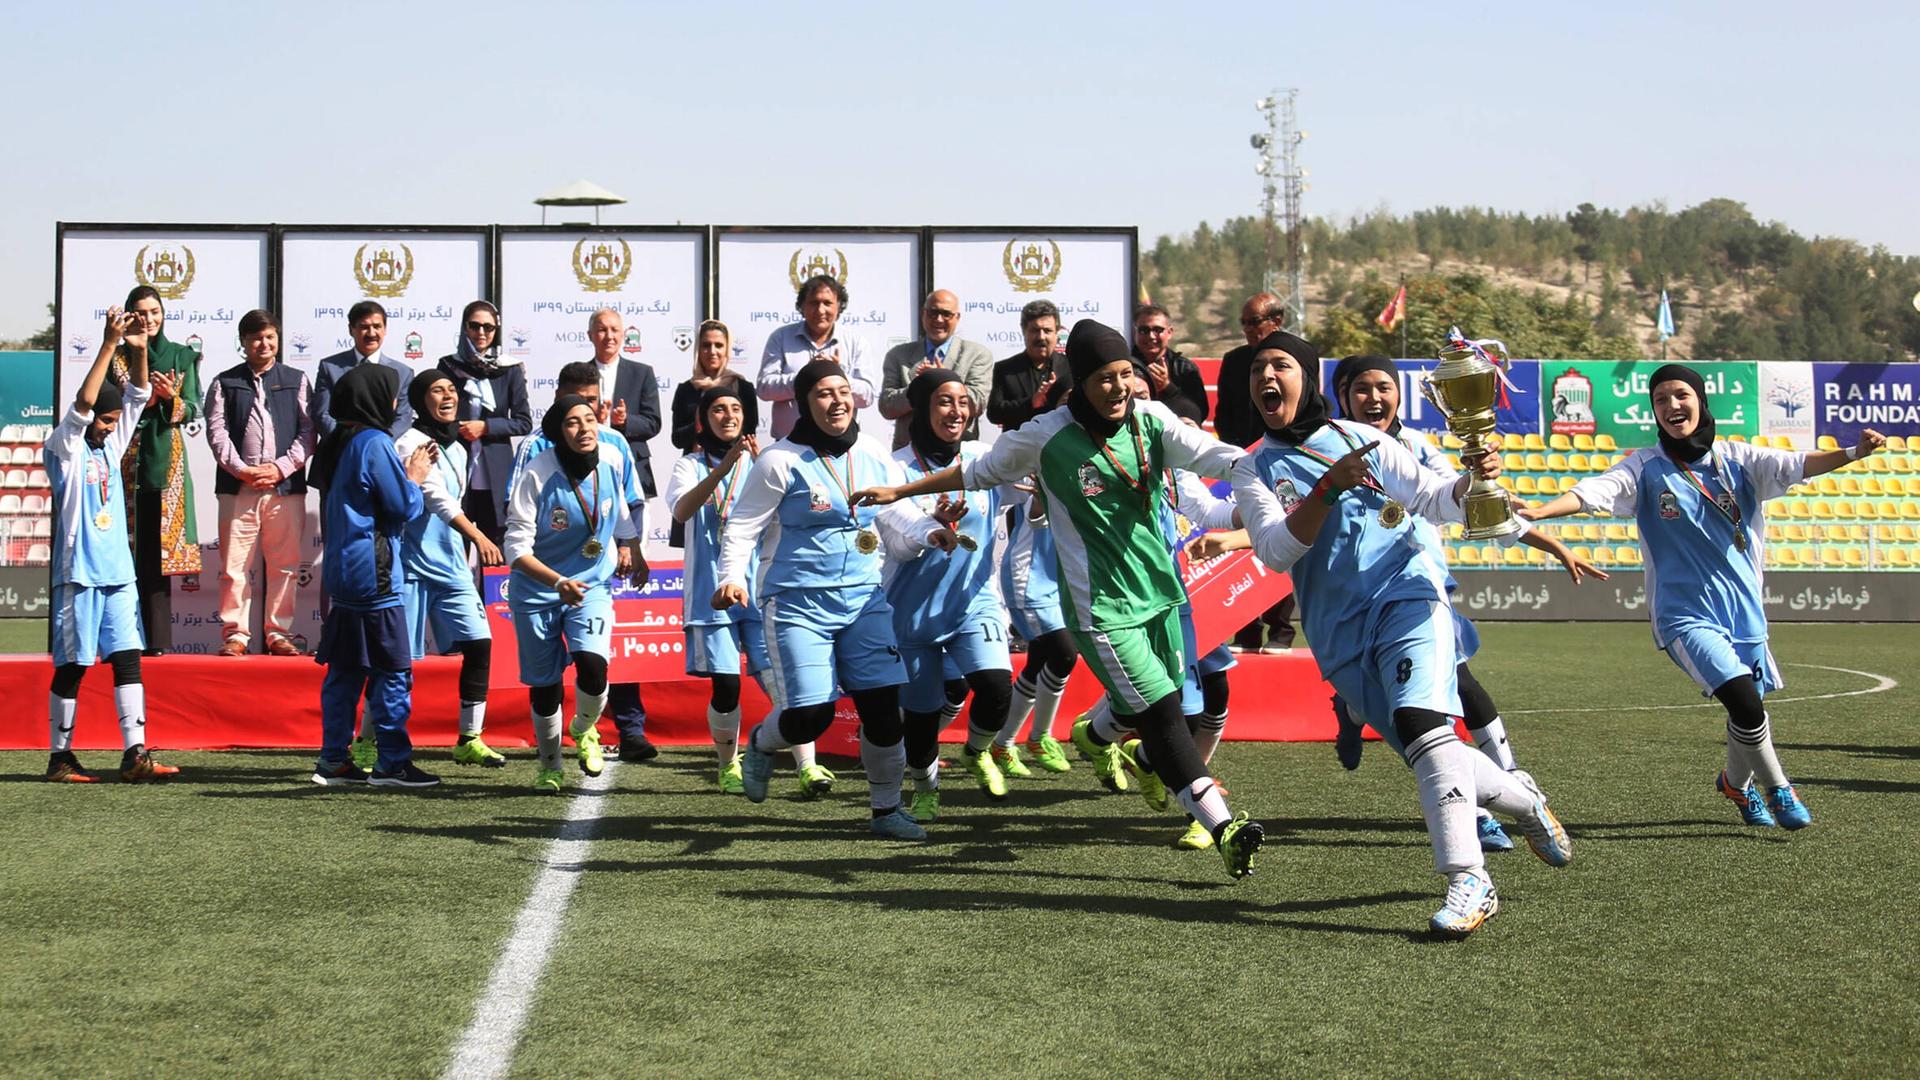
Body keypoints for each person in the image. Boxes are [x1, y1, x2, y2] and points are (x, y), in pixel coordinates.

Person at [854, 320, 1266, 878]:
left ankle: (1095, 735)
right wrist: (900, 490)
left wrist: (1276, 470)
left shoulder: (1152, 419)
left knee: (1151, 709)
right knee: (1166, 714)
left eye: (1125, 374)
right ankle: (1225, 827)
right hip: (1102, 611)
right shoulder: (1046, 434)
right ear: (1081, 383)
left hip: (1163, 596)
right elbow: (977, 472)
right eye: (1104, 378)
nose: (1119, 388)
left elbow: (1217, 457)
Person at [1226, 329, 1570, 936]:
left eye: (1281, 365)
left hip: (1408, 597)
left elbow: (1436, 500)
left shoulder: (1362, 439)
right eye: (1258, 369)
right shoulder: (1252, 467)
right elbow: (1276, 552)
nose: (1267, 377)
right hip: (1338, 634)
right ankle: (1525, 800)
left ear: (1307, 377)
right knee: (1428, 751)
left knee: (1422, 724)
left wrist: (1472, 481)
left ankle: (1469, 878)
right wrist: (1327, 489)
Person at [1522, 364, 1886, 830]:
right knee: (1745, 701)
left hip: (1745, 612)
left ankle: (1735, 783)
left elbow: (1798, 465)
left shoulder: (1738, 459)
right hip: (1684, 614)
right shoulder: (1644, 466)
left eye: (1681, 395)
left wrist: (1854, 452)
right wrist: (1542, 511)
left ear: (1700, 401)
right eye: (1660, 400)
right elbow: (1594, 492)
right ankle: (1779, 788)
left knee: (1747, 709)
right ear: (1653, 411)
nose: (1672, 405)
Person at [1320, 354, 1606, 852]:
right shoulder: (1323, 452)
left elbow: (1466, 500)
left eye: (1384, 387)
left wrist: (1551, 544)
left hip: (1416, 594)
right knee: (1405, 717)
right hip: (1352, 602)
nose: (1374, 397)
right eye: (1361, 388)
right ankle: (1353, 709)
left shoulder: (1418, 448)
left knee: (1456, 689)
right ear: (1342, 396)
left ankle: (1495, 791)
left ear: (1398, 395)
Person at [714, 359, 922, 839]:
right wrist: (731, 578)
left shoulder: (871, 450)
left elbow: (900, 511)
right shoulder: (778, 460)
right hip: (797, 604)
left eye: (843, 391)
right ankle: (763, 743)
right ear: (805, 404)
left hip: (864, 600)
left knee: (883, 710)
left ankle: (887, 811)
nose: (837, 401)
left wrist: (932, 531)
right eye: (824, 393)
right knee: (812, 716)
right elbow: (742, 527)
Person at [666, 382, 833, 796]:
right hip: (711, 590)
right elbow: (682, 511)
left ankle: (808, 766)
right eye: (718, 409)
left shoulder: (768, 460)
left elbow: (789, 517)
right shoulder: (689, 464)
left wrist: (759, 467)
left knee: (785, 683)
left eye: (736, 409)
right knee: (727, 686)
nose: (729, 416)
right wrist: (722, 470)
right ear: (704, 420)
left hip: (762, 590)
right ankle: (728, 765)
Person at [42, 306, 176, 783]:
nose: (109, 428)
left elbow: (137, 395)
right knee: (74, 665)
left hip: (118, 573)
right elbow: (84, 402)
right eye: (104, 420)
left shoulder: (110, 446)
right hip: (78, 574)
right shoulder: (65, 448)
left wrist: (137, 351)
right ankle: (60, 758)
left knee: (128, 659)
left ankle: (134, 754)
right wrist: (108, 344)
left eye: (113, 421)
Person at [878, 370, 1014, 823]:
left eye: (962, 402)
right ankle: (925, 786)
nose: (956, 411)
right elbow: (897, 547)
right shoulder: (895, 469)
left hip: (973, 602)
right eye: (943, 401)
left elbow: (1027, 491)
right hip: (912, 613)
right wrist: (929, 529)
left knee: (996, 688)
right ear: (921, 408)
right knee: (921, 716)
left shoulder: (983, 459)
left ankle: (976, 751)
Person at [506, 362, 656, 762]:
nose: (585, 428)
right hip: (538, 591)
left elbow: (620, 507)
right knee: (545, 686)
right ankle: (550, 765)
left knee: (593, 666)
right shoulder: (537, 472)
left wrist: (634, 548)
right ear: (559, 431)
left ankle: (584, 728)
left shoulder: (612, 455)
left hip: (591, 584)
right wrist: (557, 582)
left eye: (590, 417)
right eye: (573, 422)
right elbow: (515, 549)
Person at [307, 364, 439, 788]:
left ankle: (333, 760)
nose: (396, 402)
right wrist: (414, 477)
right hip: (375, 573)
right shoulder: (375, 442)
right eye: (390, 394)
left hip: (344, 572)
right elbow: (403, 507)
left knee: (345, 673)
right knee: (394, 671)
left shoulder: (340, 439)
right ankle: (392, 764)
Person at [396, 370, 507, 768]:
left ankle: (469, 738)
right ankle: (371, 742)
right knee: (398, 663)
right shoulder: (409, 442)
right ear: (419, 400)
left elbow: (452, 499)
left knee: (480, 643)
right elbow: (435, 497)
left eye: (451, 390)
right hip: (410, 566)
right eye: (436, 390)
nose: (447, 396)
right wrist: (477, 535)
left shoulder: (458, 447)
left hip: (451, 566)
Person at [204, 309, 313, 657]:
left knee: (285, 566)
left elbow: (308, 432)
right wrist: (241, 470)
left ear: (277, 339)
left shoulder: (297, 379)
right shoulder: (224, 382)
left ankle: (278, 632)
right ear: (243, 342)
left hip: (284, 487)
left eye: (270, 337)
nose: (263, 344)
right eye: (256, 338)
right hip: (239, 487)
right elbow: (216, 433)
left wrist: (281, 468)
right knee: (233, 567)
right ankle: (235, 634)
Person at [585, 308, 663, 753]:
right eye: (601, 329)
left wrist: (620, 424)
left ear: (624, 334)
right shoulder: (580, 374)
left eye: (615, 329)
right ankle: (589, 716)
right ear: (591, 334)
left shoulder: (642, 372)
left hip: (631, 493)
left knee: (625, 596)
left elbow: (652, 423)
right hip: (585, 498)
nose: (608, 335)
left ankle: (631, 723)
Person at [111, 285, 202, 655]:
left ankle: (159, 644)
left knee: (158, 558)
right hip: (126, 460)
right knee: (126, 554)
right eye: (141, 312)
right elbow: (117, 399)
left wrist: (170, 399)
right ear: (130, 315)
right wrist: (148, 395)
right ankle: (122, 641)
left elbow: (193, 407)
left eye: (154, 312)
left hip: (167, 463)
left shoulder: (182, 355)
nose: (149, 319)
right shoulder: (117, 356)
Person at [1212, 293, 1295, 653]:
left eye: (1254, 322)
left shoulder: (1295, 356)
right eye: (1244, 322)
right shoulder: (1234, 361)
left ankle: (1281, 630)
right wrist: (1237, 454)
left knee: (1282, 539)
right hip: (1244, 465)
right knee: (1241, 542)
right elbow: (1223, 414)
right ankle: (1245, 631)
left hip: (1283, 462)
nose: (1248, 329)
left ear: (1276, 321)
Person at [437, 300, 530, 547]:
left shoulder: (509, 369)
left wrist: (486, 427)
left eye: (488, 327)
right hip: (458, 470)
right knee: (455, 549)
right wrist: (460, 428)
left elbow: (523, 422)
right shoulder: (448, 366)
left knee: (495, 554)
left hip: (496, 475)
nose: (481, 333)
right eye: (474, 326)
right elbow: (437, 415)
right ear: (465, 327)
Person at [757, 274, 875, 439]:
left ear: (839, 306)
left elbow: (867, 397)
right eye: (813, 303)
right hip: (791, 442)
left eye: (827, 303)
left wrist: (836, 376)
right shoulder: (781, 337)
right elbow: (764, 389)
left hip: (840, 442)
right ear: (802, 306)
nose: (820, 310)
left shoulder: (856, 342)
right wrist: (804, 377)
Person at [877, 290, 993, 449]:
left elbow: (977, 403)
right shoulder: (898, 355)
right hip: (910, 451)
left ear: (957, 317)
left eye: (946, 314)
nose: (938, 319)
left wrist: (943, 380)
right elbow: (887, 407)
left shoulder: (976, 354)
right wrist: (919, 387)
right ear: (923, 314)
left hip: (959, 449)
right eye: (933, 313)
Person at [312, 300, 413, 439]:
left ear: (385, 329)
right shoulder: (330, 367)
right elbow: (322, 414)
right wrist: (349, 443)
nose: (371, 333)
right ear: (351, 329)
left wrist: (377, 444)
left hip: (383, 447)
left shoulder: (402, 373)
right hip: (340, 447)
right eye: (364, 327)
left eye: (377, 326)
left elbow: (403, 418)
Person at [669, 320, 758, 452]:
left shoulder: (743, 388)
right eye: (706, 345)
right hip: (695, 461)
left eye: (719, 345)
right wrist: (700, 423)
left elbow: (748, 434)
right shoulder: (687, 389)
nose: (712, 351)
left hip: (735, 459)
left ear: (727, 349)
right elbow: (678, 439)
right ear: (697, 349)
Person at [985, 300, 1071, 433]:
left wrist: (1060, 396)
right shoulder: (1005, 369)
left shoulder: (1071, 367)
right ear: (1024, 331)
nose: (1041, 337)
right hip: (1020, 443)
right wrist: (1032, 402)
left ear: (1057, 333)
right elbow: (994, 413)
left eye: (1047, 331)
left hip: (1062, 441)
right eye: (1035, 330)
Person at [1130, 303, 1209, 425]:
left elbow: (1199, 413)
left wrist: (1167, 388)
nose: (1151, 336)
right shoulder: (1124, 366)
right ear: (1134, 333)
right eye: (1144, 330)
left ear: (1170, 332)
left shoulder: (1185, 369)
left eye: (1158, 330)